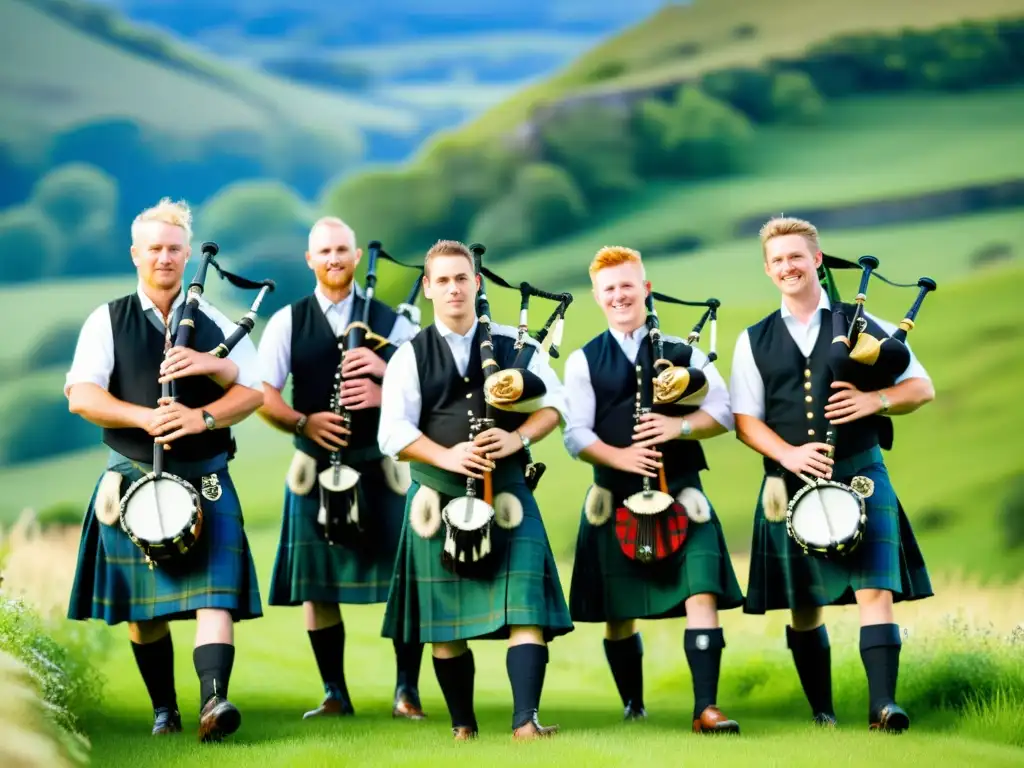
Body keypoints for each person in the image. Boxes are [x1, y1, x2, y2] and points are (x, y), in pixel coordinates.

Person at [64, 197, 265, 742]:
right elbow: (81, 395)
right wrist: (144, 417)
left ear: (185, 255)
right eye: (154, 248)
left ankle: (214, 702)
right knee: (142, 607)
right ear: (136, 254)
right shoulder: (108, 320)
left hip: (206, 473)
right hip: (131, 474)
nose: (165, 258)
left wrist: (204, 407)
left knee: (214, 593)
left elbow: (255, 394)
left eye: (175, 249)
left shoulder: (215, 321)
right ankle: (164, 709)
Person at [730, 216, 935, 732]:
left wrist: (874, 400)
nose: (787, 267)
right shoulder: (752, 339)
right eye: (777, 260)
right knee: (803, 602)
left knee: (875, 589)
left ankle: (882, 707)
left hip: (860, 469)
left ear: (816, 260)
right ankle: (822, 711)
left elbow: (921, 388)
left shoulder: (864, 324)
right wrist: (790, 456)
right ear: (767, 270)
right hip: (789, 479)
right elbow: (745, 421)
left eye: (796, 256)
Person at [377, 239, 574, 741]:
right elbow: (392, 433)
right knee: (446, 624)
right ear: (427, 288)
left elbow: (555, 406)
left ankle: (525, 722)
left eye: (461, 278)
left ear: (477, 282)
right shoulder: (410, 355)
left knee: (525, 604)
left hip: (506, 491)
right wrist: (446, 456)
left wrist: (517, 437)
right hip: (437, 496)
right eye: (441, 280)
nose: (453, 288)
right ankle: (463, 724)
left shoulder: (515, 345)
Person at [561, 246, 745, 734]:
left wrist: (678, 429)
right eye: (609, 289)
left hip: (684, 495)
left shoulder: (686, 354)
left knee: (701, 593)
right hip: (614, 499)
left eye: (627, 285)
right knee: (617, 612)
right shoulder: (583, 360)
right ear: (598, 298)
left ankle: (706, 708)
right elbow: (575, 434)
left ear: (645, 288)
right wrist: (620, 457)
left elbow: (724, 413)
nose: (619, 295)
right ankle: (633, 703)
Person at [256, 217, 427, 720]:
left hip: (380, 465)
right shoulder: (288, 321)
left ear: (356, 257)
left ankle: (406, 692)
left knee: (405, 580)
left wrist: (383, 387)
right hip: (315, 463)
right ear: (310, 260)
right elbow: (264, 394)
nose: (334, 258)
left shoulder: (393, 321)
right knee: (317, 586)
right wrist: (301, 423)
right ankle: (334, 693)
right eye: (324, 251)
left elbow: (426, 384)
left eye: (342, 250)